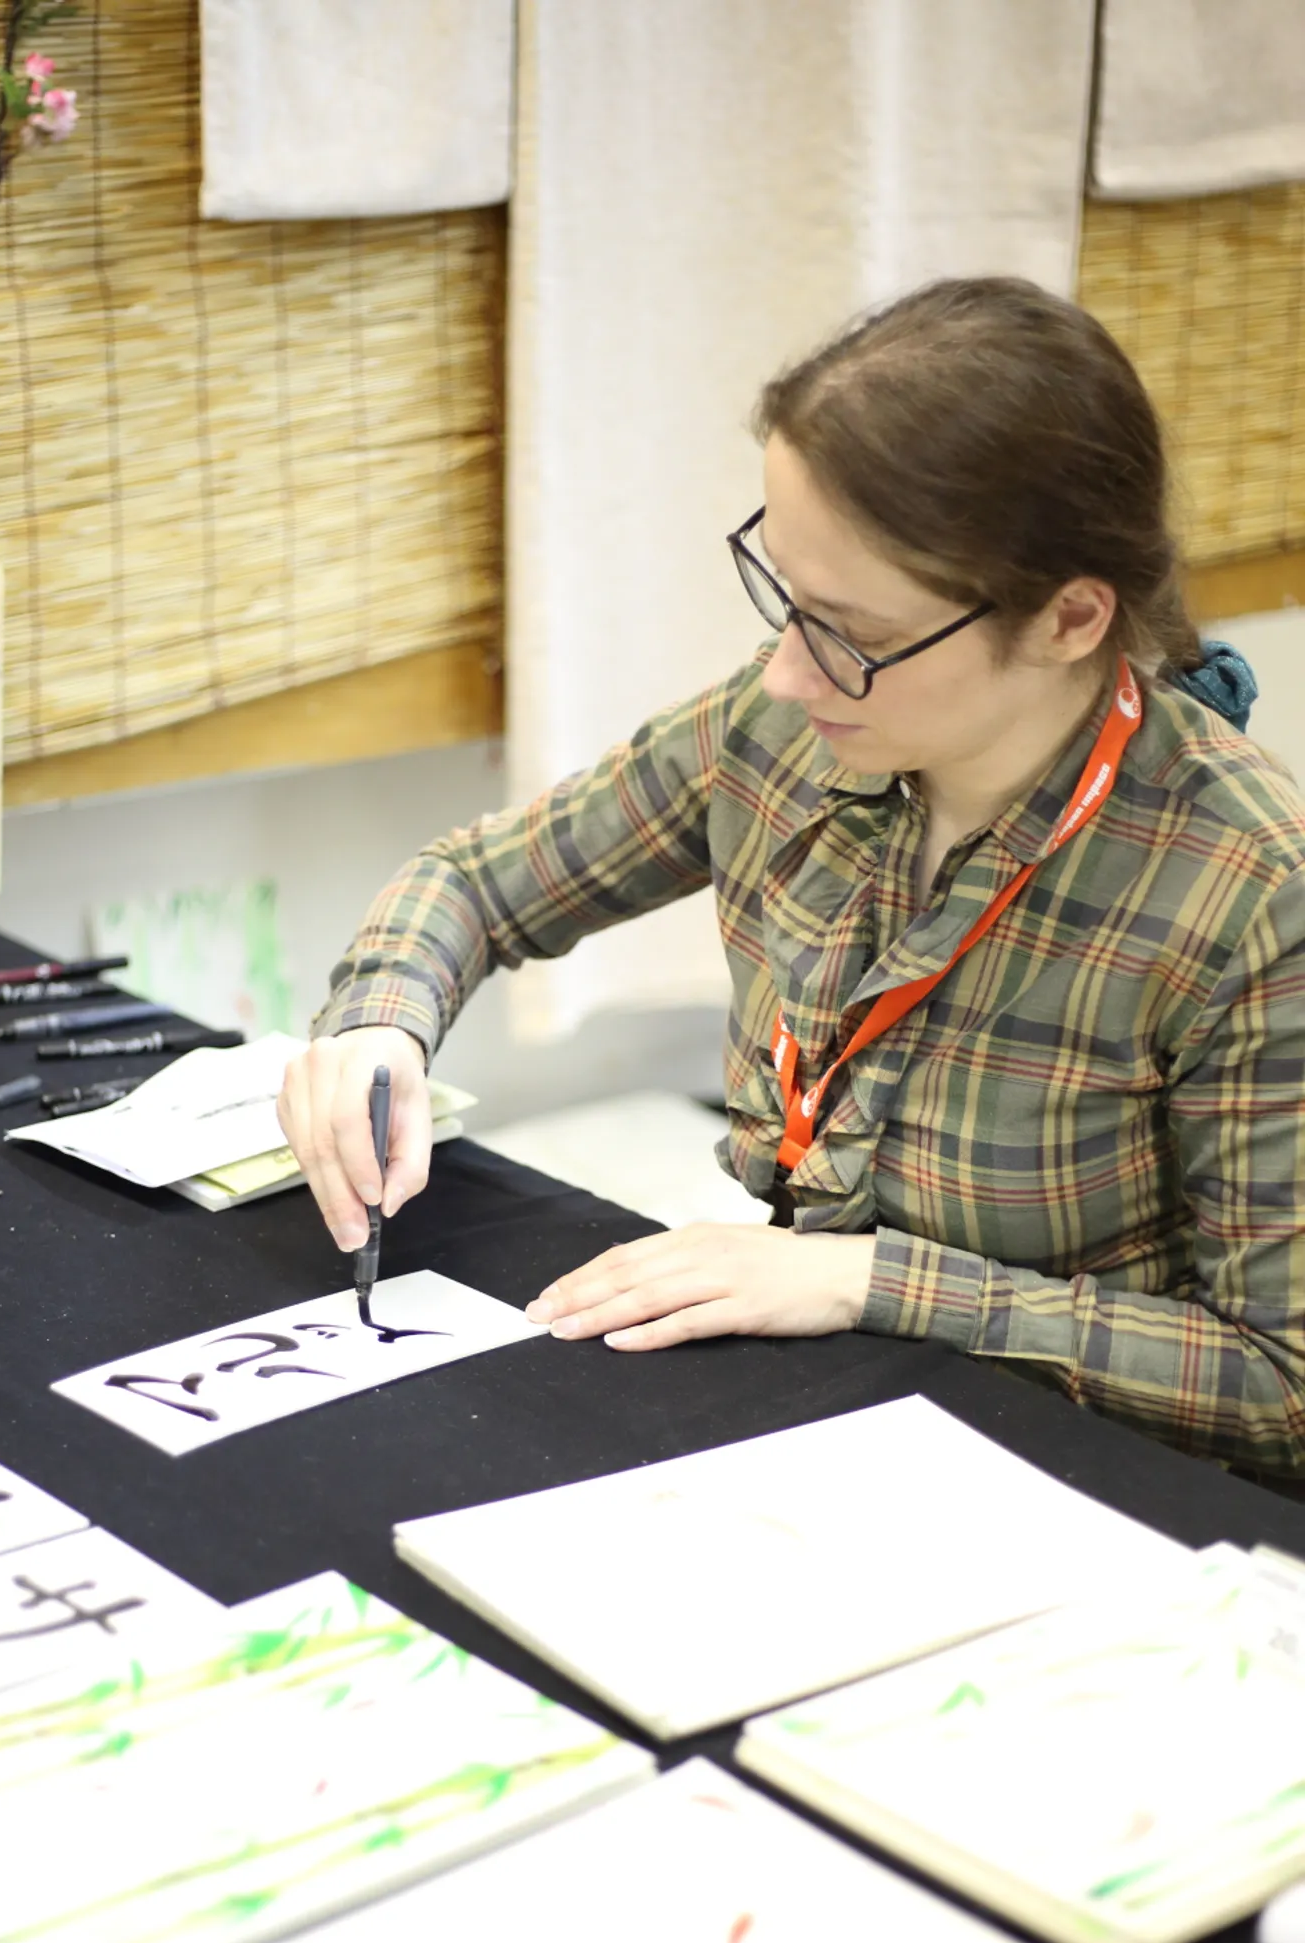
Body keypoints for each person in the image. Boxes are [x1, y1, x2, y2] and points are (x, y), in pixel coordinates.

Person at [278, 277, 1305, 1482]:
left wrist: (867, 1280)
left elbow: (1279, 1383)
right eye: (785, 597)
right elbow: (475, 883)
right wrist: (378, 1026)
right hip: (816, 1416)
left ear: (1070, 619)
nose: (785, 675)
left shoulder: (1248, 896)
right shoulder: (782, 730)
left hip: (1083, 1490)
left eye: (855, 634)